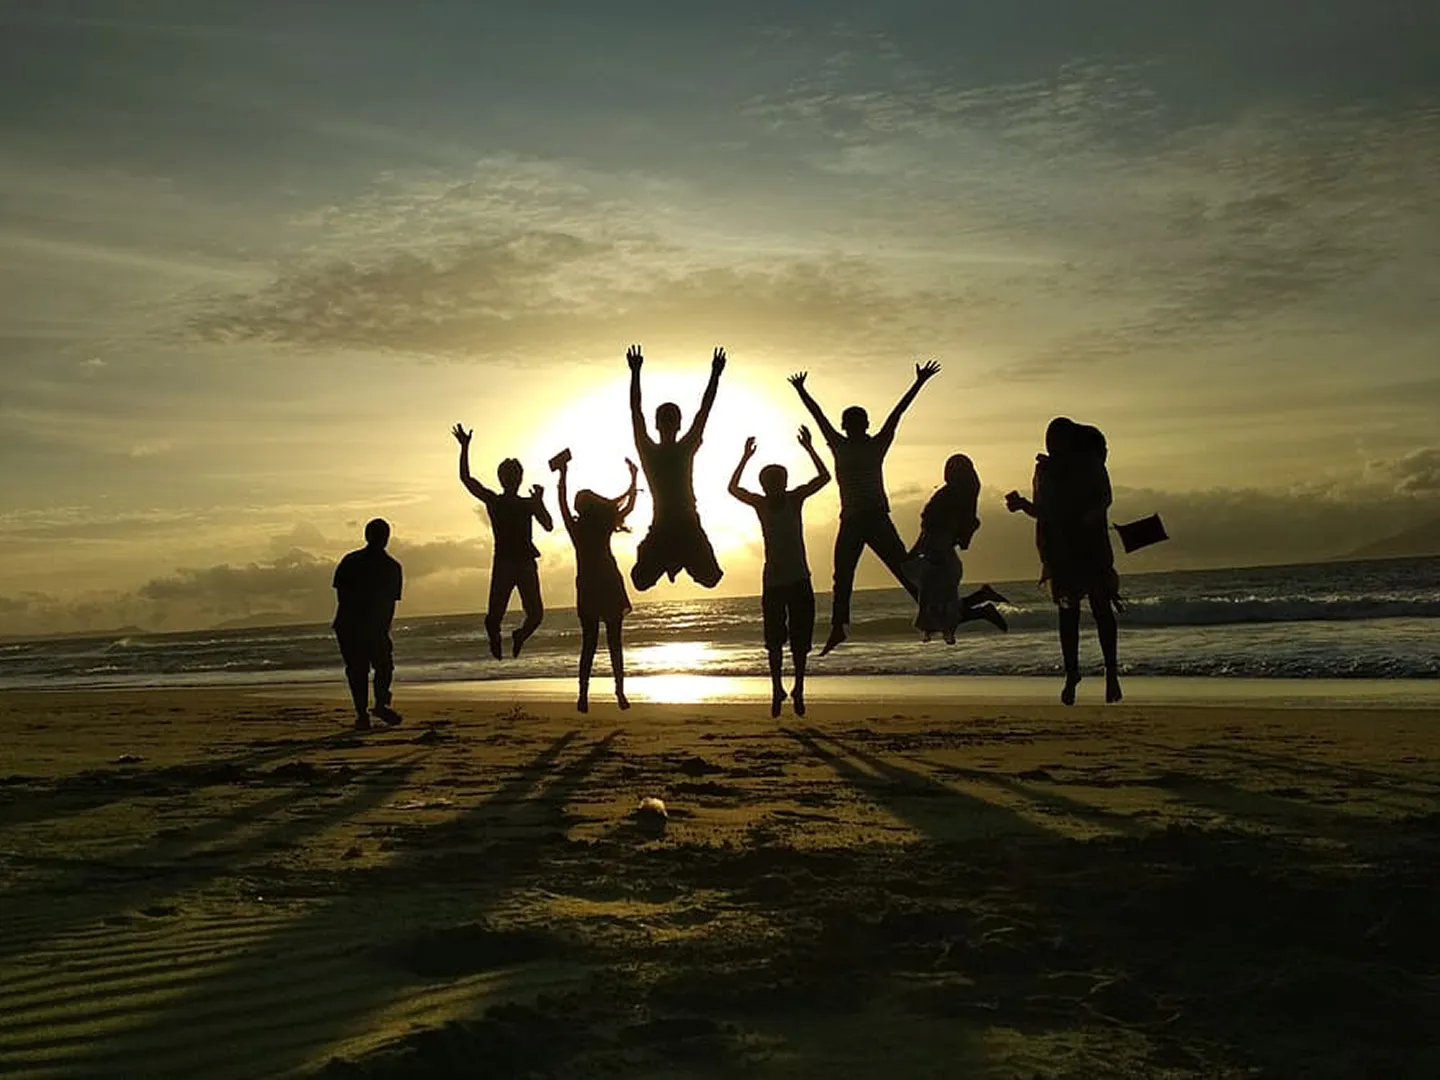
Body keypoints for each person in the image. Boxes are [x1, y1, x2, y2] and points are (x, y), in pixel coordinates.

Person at [788, 361, 940, 654]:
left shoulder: (874, 443)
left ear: (862, 425)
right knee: (843, 575)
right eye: (850, 423)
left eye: (855, 422)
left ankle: (931, 613)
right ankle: (837, 628)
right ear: (848, 426)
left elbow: (898, 413)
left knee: (902, 569)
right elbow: (818, 416)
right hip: (853, 520)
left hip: (874, 518)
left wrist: (919, 383)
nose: (852, 426)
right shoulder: (841, 444)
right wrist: (801, 391)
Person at [1006, 418, 1123, 705]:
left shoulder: (1090, 464)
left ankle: (1111, 673)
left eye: (1055, 439)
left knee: (1100, 608)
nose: (1050, 445)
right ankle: (1072, 673)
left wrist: (1091, 514)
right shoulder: (1045, 471)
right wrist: (1022, 505)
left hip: (1091, 548)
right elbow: (1045, 513)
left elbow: (1105, 497)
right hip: (1061, 553)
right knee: (1069, 614)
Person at [728, 426, 831, 717]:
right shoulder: (761, 504)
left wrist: (810, 448)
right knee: (774, 641)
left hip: (799, 579)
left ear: (784, 483)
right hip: (774, 581)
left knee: (800, 641)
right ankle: (776, 688)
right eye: (770, 481)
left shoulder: (794, 499)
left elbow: (824, 478)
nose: (774, 485)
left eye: (778, 480)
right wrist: (744, 458)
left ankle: (798, 687)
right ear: (764, 485)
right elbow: (733, 489)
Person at [628, 343, 725, 591]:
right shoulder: (652, 451)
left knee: (712, 579)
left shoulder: (679, 449)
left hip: (686, 524)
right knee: (639, 581)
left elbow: (704, 411)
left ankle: (677, 560)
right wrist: (635, 373)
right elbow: (636, 412)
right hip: (664, 524)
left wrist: (715, 375)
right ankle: (674, 560)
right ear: (662, 425)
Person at [452, 424, 554, 660]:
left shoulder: (527, 503)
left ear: (519, 478)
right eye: (507, 475)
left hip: (526, 562)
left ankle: (519, 636)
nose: (511, 479)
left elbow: (548, 525)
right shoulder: (494, 501)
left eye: (514, 475)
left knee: (536, 615)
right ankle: (495, 637)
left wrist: (540, 501)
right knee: (493, 618)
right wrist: (465, 448)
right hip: (505, 563)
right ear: (502, 478)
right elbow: (466, 479)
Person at [554, 450, 639, 713]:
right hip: (608, 582)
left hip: (590, 584)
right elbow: (630, 506)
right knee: (614, 642)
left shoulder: (576, 529)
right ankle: (620, 692)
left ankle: (583, 695)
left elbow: (561, 504)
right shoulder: (602, 524)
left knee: (589, 643)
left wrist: (563, 474)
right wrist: (634, 479)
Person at [907, 454, 1009, 643]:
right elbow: (961, 541)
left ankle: (984, 607)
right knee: (941, 610)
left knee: (939, 612)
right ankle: (982, 601)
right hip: (940, 559)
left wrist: (915, 552)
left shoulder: (948, 498)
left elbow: (929, 532)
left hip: (939, 561)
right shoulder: (957, 500)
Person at [331, 519, 404, 731]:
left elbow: (341, 595)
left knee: (359, 670)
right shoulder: (391, 566)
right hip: (365, 625)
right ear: (386, 538)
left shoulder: (351, 561)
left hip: (350, 625)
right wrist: (382, 628)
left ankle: (365, 713)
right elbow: (390, 604)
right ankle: (377, 705)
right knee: (380, 667)